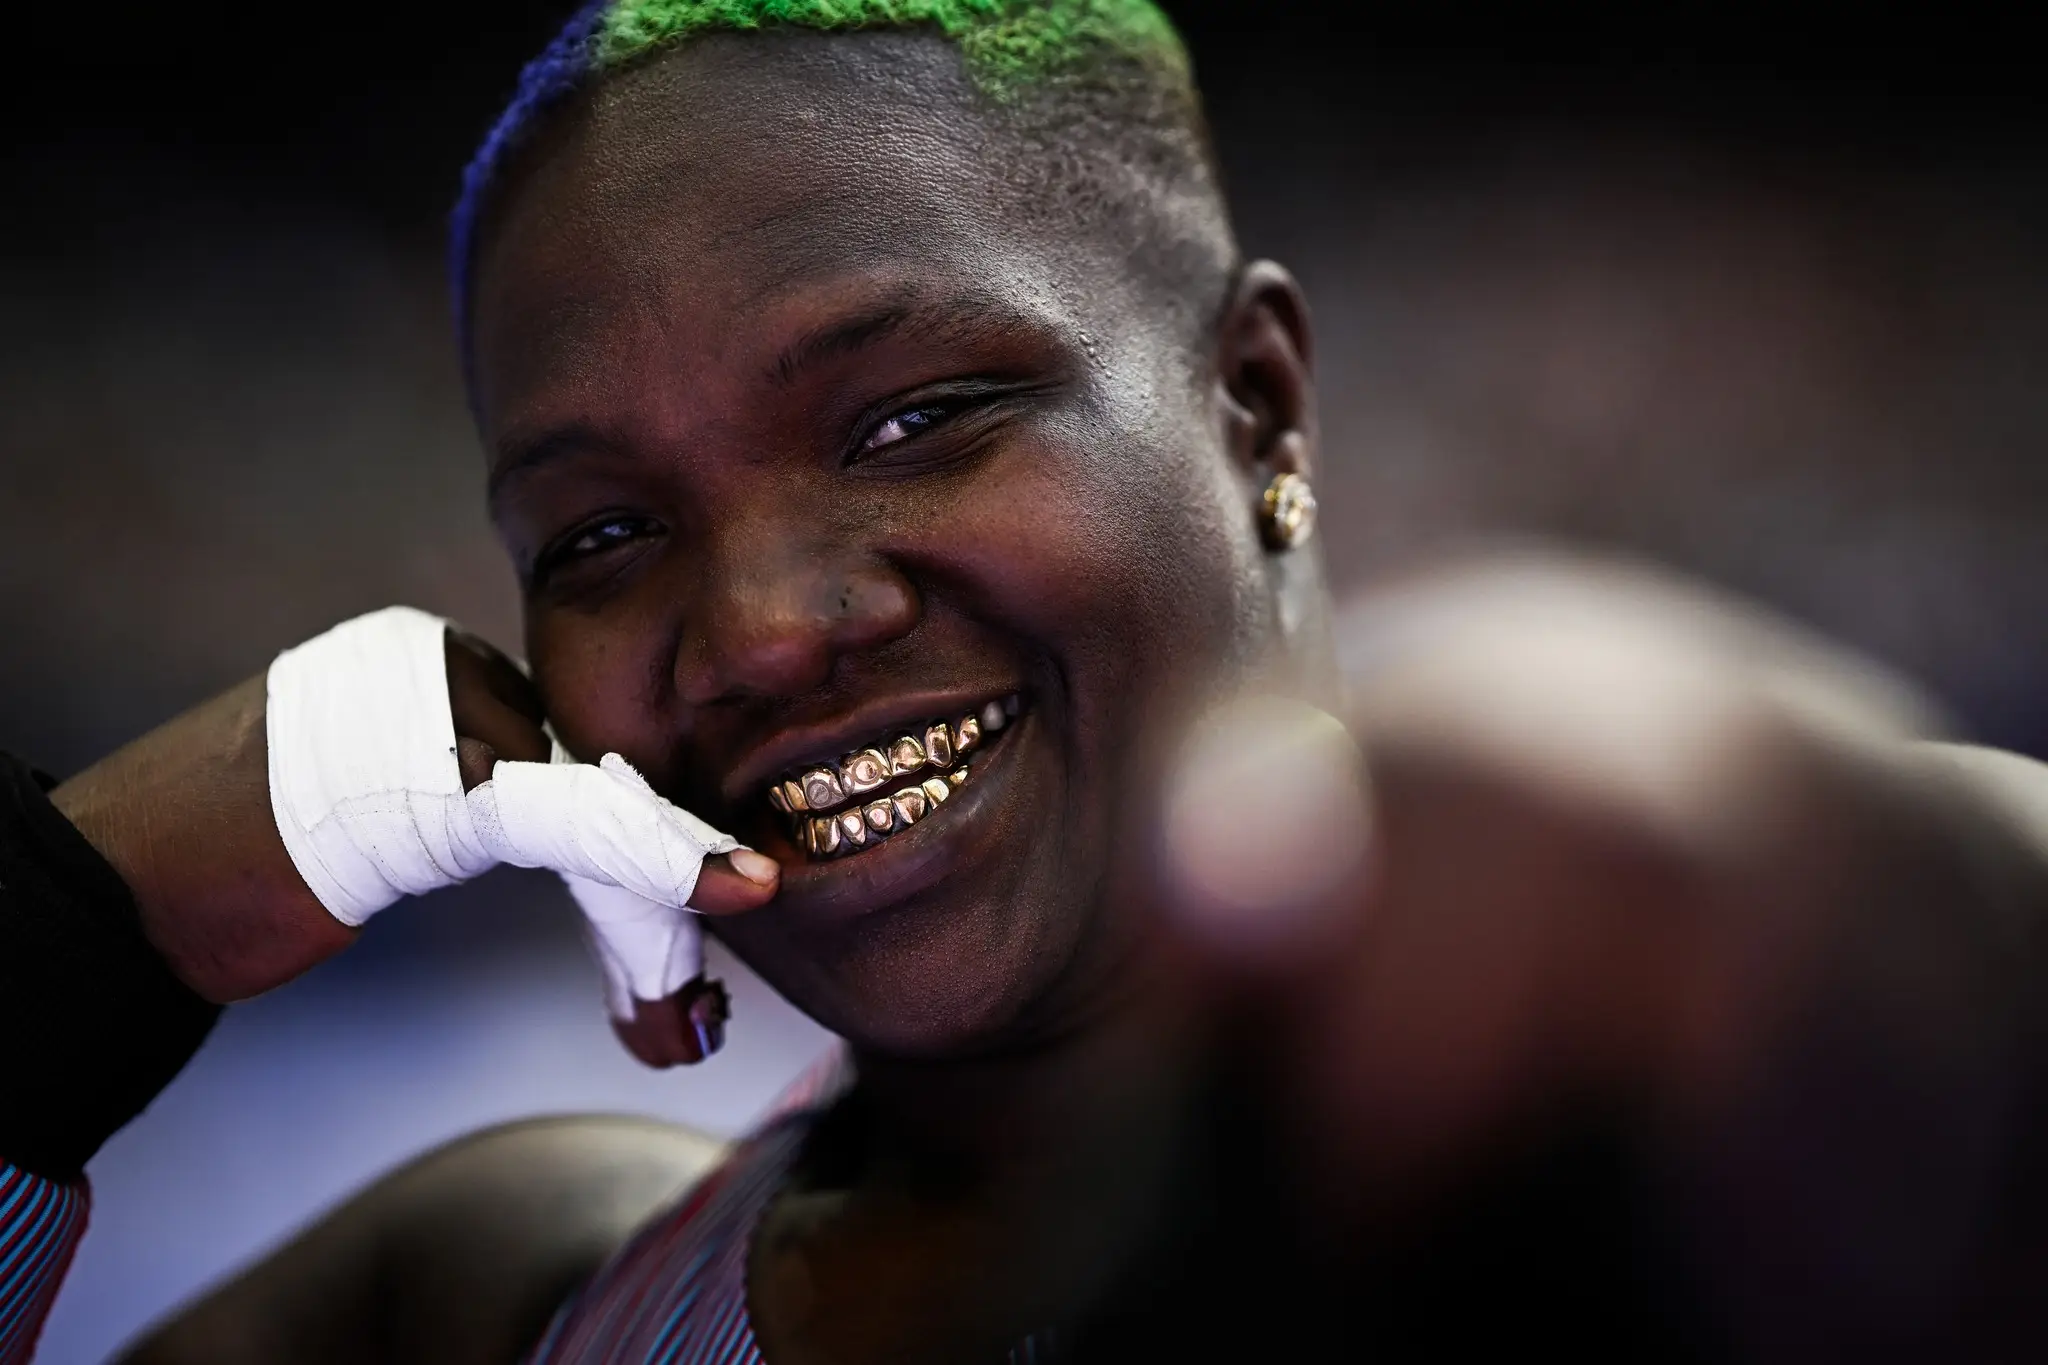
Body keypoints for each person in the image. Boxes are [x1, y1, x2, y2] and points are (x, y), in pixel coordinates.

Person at [6, 1, 2048, 1361]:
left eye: (915, 419)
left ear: (1254, 406)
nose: (766, 627)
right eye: (601, 536)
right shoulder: (491, 1294)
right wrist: (87, 919)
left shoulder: (1723, 1022)